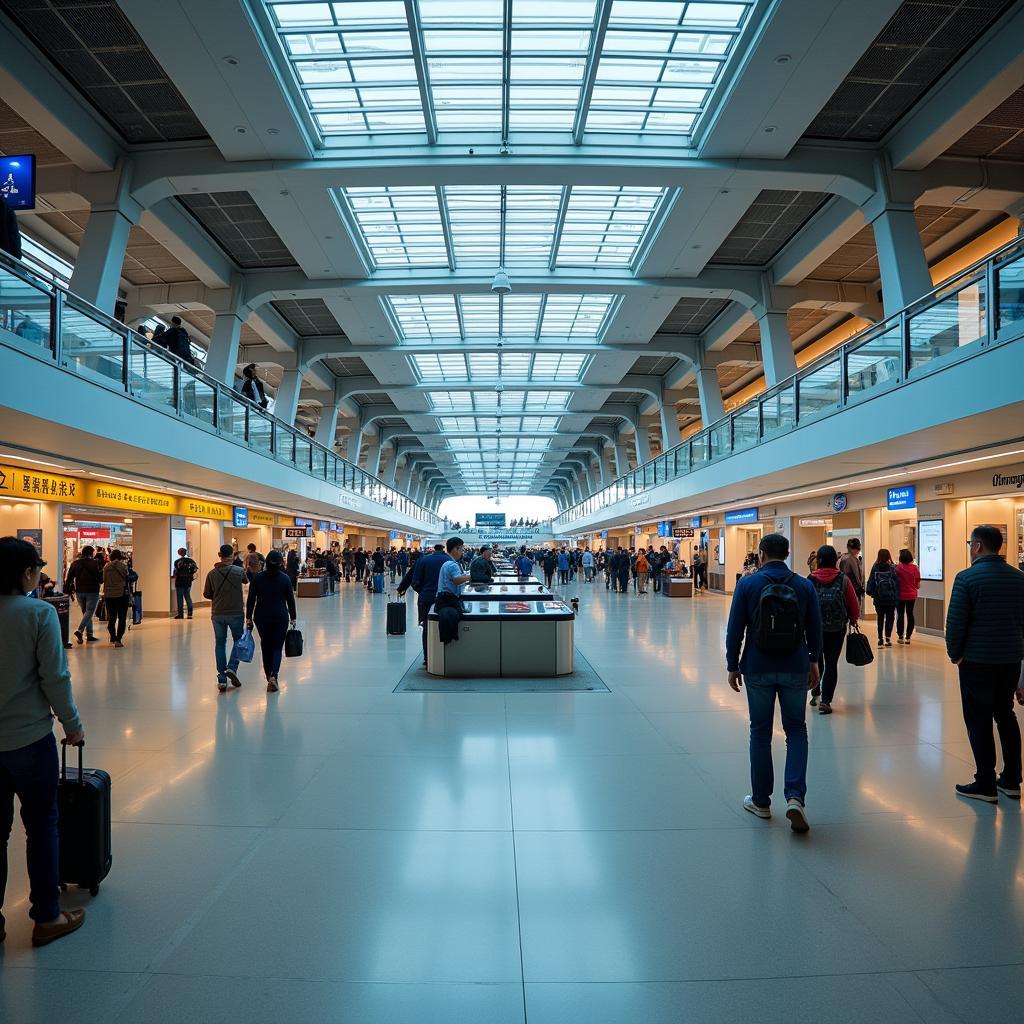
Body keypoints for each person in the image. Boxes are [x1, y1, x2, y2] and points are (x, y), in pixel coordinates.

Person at [0, 536, 87, 947]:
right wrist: (72, 724)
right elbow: (55, 676)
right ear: (26, 573)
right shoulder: (39, 613)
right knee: (42, 825)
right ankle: (47, 917)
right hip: (30, 741)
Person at [726, 533, 822, 833]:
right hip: (795, 666)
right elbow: (815, 628)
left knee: (760, 730)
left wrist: (732, 665)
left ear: (761, 553)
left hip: (758, 666)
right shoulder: (804, 585)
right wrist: (814, 661)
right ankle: (795, 797)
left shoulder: (747, 584)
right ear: (788, 553)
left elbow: (735, 629)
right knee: (796, 730)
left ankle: (761, 801)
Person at [945, 525, 1024, 803]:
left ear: (977, 546)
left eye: (970, 543)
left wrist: (955, 655)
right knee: (1006, 714)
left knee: (978, 718)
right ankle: (1012, 780)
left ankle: (985, 782)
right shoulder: (1019, 578)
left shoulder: (967, 578)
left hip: (977, 662)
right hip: (1011, 660)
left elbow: (956, 623)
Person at [808, 545, 860, 715]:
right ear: (836, 560)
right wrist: (853, 619)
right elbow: (854, 604)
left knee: (816, 660)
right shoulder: (843, 579)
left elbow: (802, 605)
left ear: (819, 560)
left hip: (814, 628)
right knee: (831, 663)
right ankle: (826, 701)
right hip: (836, 628)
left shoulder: (810, 579)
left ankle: (815, 690)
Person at [245, 549, 296, 694]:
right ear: (281, 563)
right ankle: (274, 675)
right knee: (277, 647)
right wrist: (293, 616)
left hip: (261, 615)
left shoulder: (258, 578)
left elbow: (251, 599)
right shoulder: (285, 578)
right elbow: (290, 600)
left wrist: (248, 616)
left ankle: (268, 676)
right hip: (280, 616)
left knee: (265, 645)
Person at [204, 543, 247, 693]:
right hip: (235, 612)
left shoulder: (211, 574)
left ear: (219, 555)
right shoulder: (239, 571)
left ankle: (222, 678)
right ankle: (232, 668)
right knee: (238, 641)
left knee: (220, 643)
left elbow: (207, 594)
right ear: (233, 555)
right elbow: (246, 580)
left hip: (218, 614)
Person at [398, 542, 449, 667]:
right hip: (444, 599)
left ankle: (427, 658)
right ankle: (444, 656)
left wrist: (403, 588)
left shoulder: (423, 560)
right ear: (443, 550)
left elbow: (413, 579)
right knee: (445, 625)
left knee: (426, 628)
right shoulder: (449, 560)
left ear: (433, 550)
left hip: (425, 599)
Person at [64, 545, 102, 644]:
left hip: (79, 591)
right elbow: (100, 578)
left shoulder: (75, 563)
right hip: (92, 590)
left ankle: (89, 635)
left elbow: (69, 578)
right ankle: (80, 630)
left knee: (86, 612)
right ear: (90, 553)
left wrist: (66, 591)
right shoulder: (95, 563)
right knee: (89, 612)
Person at [866, 548, 899, 648]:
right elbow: (897, 582)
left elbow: (871, 580)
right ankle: (888, 638)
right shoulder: (892, 568)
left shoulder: (875, 567)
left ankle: (880, 639)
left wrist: (870, 592)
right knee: (890, 617)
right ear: (888, 556)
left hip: (878, 597)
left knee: (880, 618)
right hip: (890, 598)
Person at [101, 549, 130, 648]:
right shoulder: (123, 566)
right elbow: (127, 577)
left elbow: (104, 580)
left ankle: (113, 636)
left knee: (112, 617)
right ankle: (118, 639)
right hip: (122, 594)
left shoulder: (106, 566)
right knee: (122, 617)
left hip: (109, 594)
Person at [895, 548, 921, 645]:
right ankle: (908, 637)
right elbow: (918, 585)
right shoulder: (915, 568)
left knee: (900, 615)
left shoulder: (898, 568)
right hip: (911, 595)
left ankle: (900, 636)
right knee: (910, 614)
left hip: (900, 595)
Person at [172, 547, 198, 619]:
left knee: (179, 598)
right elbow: (195, 570)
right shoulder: (191, 561)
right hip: (188, 581)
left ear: (179, 553)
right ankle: (190, 614)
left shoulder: (177, 562)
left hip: (179, 581)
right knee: (187, 596)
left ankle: (180, 614)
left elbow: (176, 571)